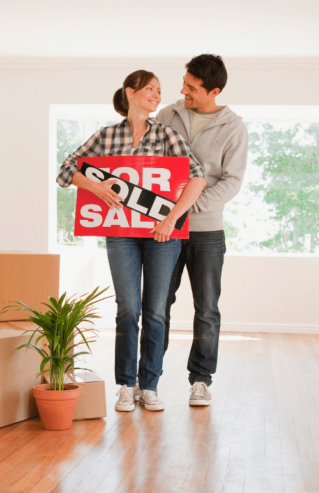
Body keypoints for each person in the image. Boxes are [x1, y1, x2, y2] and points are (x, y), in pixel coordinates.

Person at [57, 70, 206, 412]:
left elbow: (197, 179)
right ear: (131, 92)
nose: (157, 95)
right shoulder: (107, 136)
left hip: (161, 236)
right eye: (150, 89)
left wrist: (171, 219)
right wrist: (95, 186)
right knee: (128, 310)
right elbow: (66, 170)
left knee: (155, 312)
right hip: (121, 233)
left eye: (159, 90)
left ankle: (149, 386)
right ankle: (126, 385)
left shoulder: (167, 135)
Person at [156, 54, 248, 407]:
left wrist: (186, 207)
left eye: (192, 88)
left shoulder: (233, 127)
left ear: (214, 91)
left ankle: (201, 379)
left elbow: (232, 181)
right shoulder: (168, 115)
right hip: (164, 228)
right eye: (184, 83)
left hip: (206, 231)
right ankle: (148, 377)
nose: (183, 91)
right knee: (158, 303)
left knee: (207, 308)